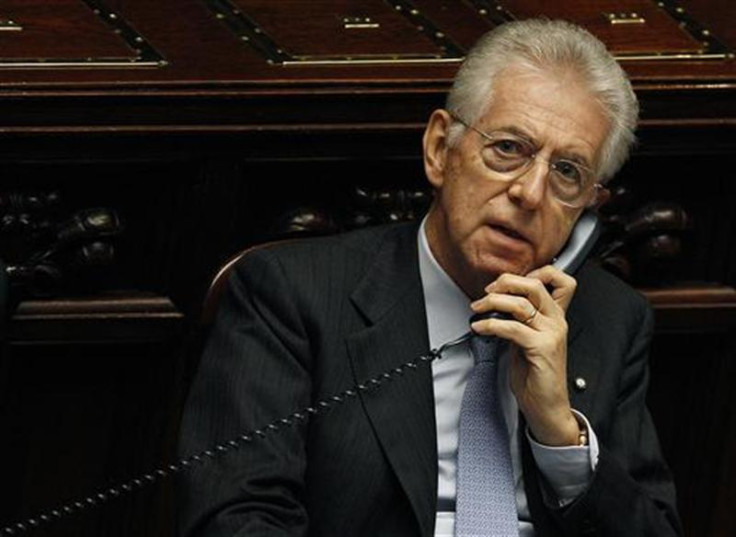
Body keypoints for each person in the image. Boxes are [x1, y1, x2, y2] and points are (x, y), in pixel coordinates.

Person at [178, 19, 682, 537]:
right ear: (441, 149)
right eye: (508, 148)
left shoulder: (610, 317)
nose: (530, 193)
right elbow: (236, 518)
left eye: (568, 172)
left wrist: (560, 433)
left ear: (589, 207)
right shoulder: (291, 292)